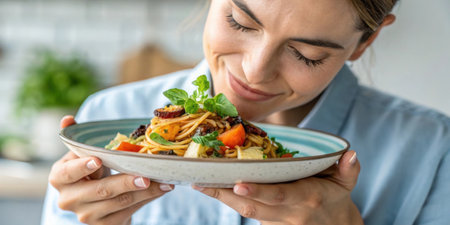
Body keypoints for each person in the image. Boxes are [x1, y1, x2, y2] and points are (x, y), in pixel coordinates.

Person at [41, 0, 450, 224]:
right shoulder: (108, 115)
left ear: (366, 42)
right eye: (239, 22)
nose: (254, 72)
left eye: (306, 55)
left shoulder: (430, 150)